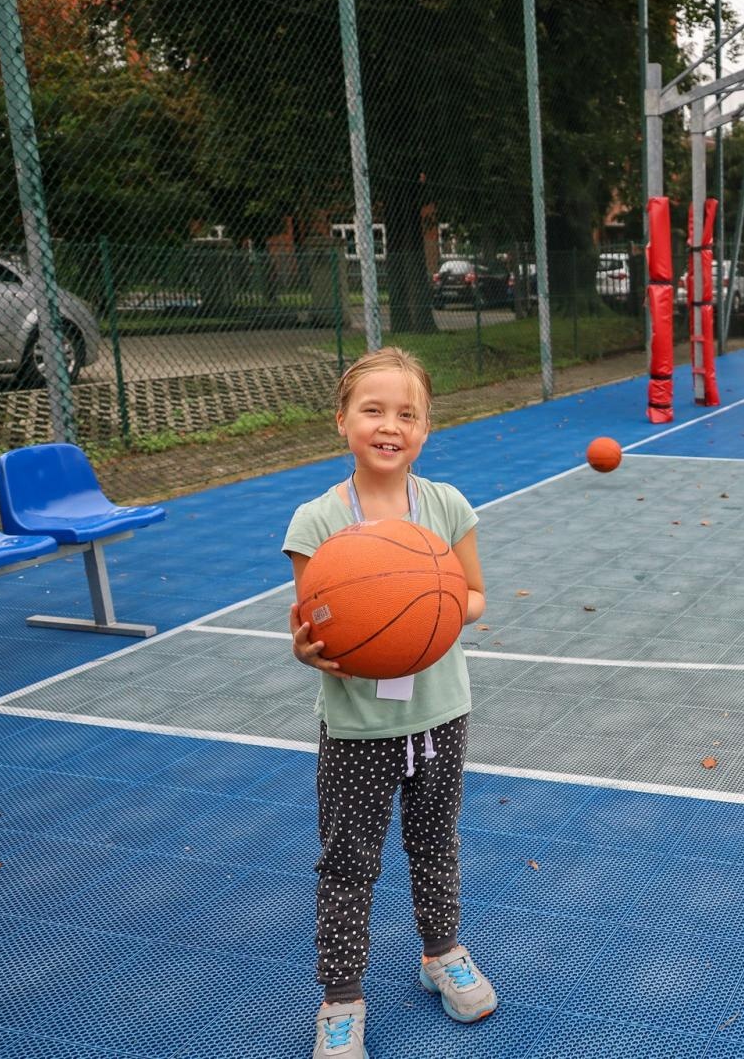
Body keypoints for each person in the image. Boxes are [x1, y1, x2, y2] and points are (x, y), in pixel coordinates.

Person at [284, 347, 495, 1059]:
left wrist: (423, 612)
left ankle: (441, 953)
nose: (389, 425)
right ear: (342, 421)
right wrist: (306, 649)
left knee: (436, 844)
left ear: (427, 429)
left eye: (408, 414)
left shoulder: (447, 507)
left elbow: (473, 596)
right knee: (349, 862)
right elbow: (315, 623)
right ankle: (341, 998)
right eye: (373, 410)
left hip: (440, 712)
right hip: (357, 726)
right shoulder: (316, 521)